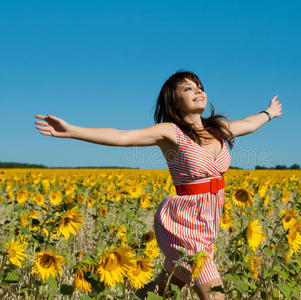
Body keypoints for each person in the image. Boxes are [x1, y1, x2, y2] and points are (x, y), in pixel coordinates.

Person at [34, 71, 282, 299]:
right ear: (173, 101)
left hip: (208, 222)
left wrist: (269, 112)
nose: (198, 91)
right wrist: (73, 131)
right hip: (183, 222)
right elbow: (123, 136)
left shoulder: (218, 129)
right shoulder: (170, 132)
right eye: (188, 88)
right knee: (215, 294)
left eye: (200, 87)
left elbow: (248, 124)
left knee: (166, 289)